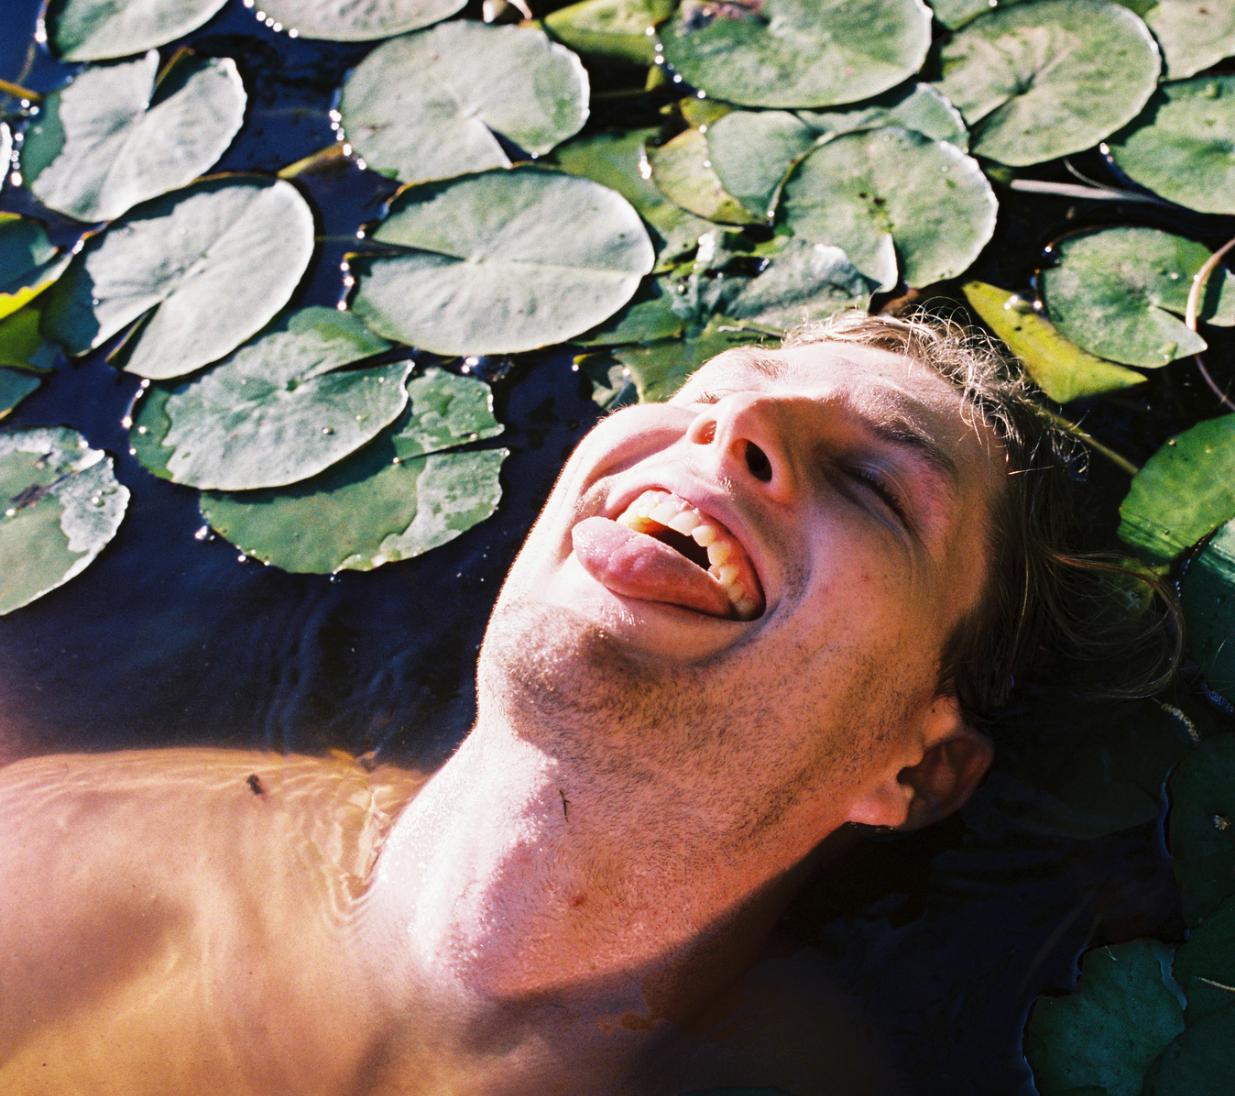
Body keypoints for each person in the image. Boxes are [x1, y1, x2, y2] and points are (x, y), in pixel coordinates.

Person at [0, 311, 1172, 1095]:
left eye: (874, 484)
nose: (734, 424)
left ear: (915, 768)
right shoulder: (62, 859)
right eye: (713, 391)